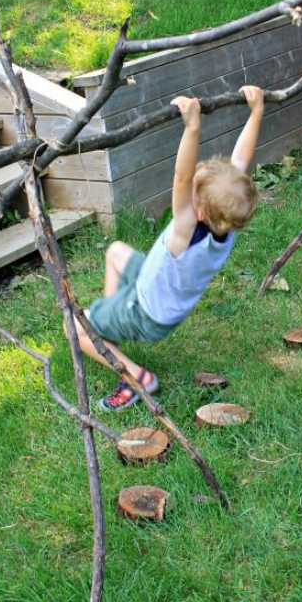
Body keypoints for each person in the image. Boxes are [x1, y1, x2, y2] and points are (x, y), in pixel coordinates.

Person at [71, 85, 265, 411]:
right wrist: (256, 110)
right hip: (155, 287)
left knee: (74, 327)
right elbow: (241, 161)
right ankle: (109, 332)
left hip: (148, 313)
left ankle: (136, 378)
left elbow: (180, 177)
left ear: (198, 211)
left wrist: (192, 127)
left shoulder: (185, 230)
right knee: (116, 251)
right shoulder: (224, 224)